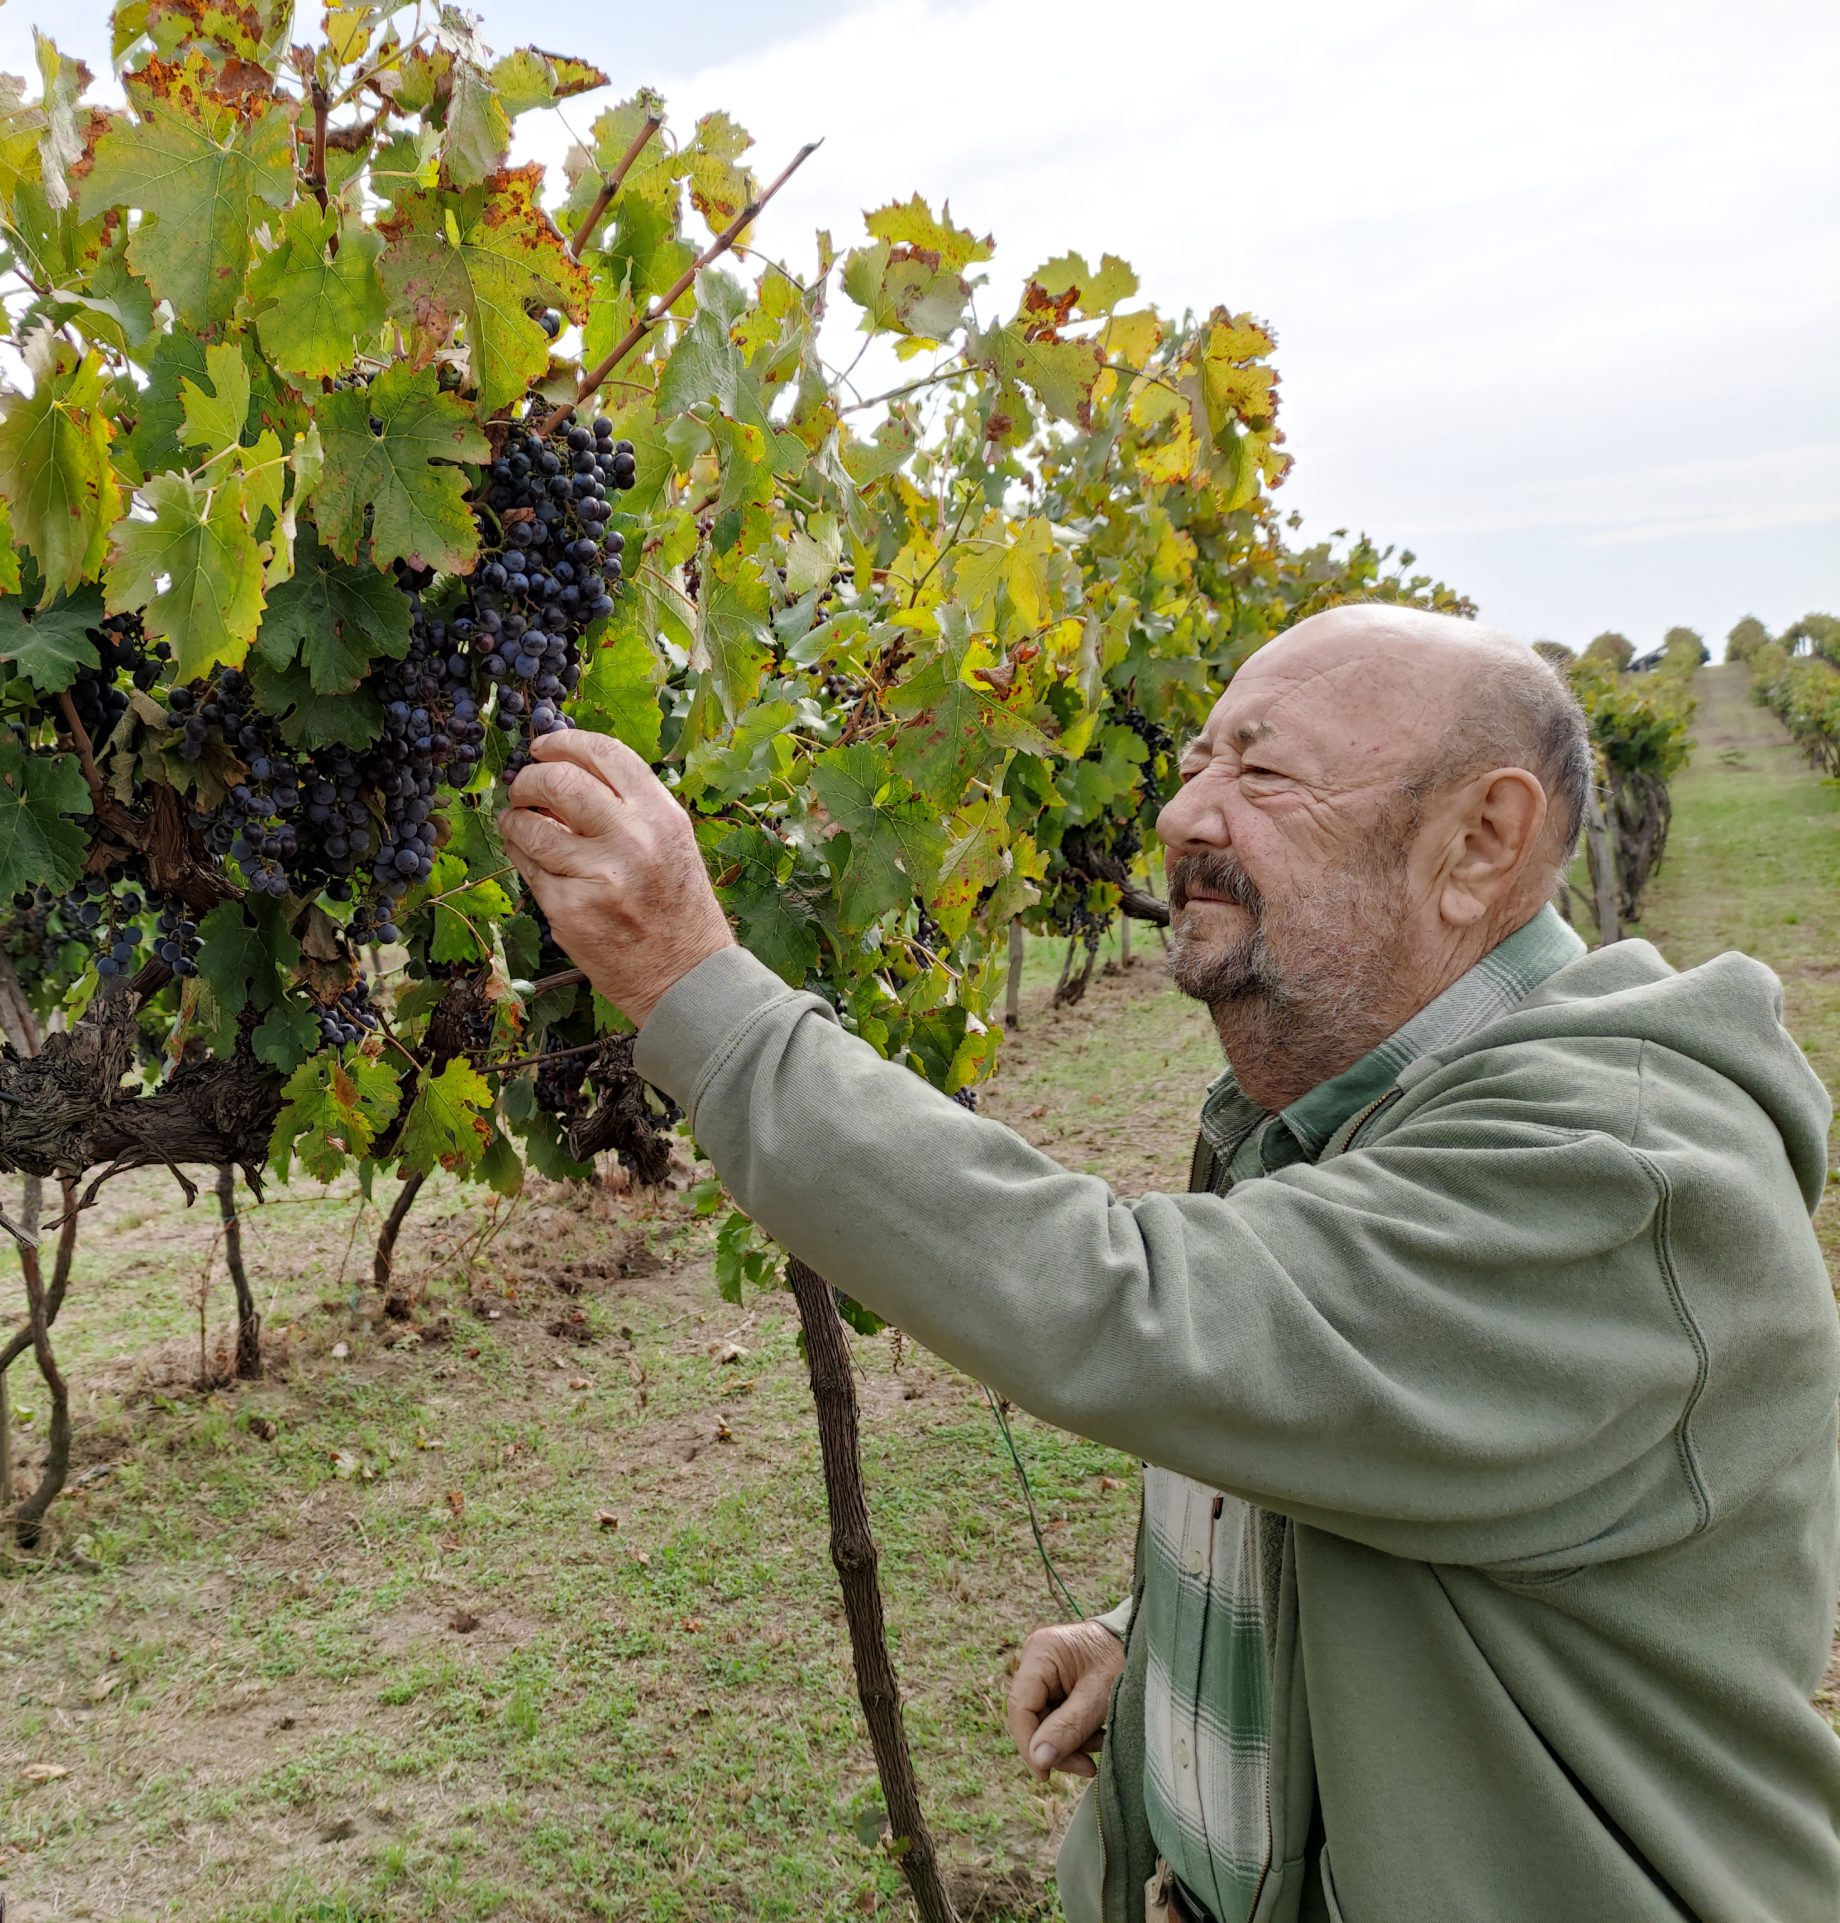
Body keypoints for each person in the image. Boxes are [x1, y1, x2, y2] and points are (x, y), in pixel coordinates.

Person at [498, 605, 1840, 1923]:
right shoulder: (1344, 1115)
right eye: (1197, 759)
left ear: (1480, 842)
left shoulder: (1619, 1178)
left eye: (1258, 769)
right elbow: (1371, 1455)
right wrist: (1160, 1641)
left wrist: (697, 989)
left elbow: (1124, 1303)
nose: (1186, 813)